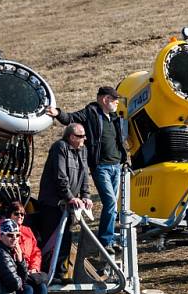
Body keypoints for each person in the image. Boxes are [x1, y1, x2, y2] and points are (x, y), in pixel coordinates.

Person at [46, 86, 128, 254]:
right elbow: (71, 118)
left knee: (112, 205)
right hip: (101, 167)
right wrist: (58, 113)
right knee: (110, 203)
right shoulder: (90, 112)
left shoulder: (114, 118)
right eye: (114, 100)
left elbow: (119, 141)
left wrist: (124, 159)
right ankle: (105, 241)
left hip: (116, 166)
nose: (117, 103)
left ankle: (110, 240)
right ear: (105, 100)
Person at [37, 123, 93, 283]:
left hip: (67, 205)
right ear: (71, 137)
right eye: (81, 136)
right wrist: (70, 196)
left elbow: (84, 175)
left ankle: (60, 274)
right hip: (52, 203)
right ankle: (48, 274)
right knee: (52, 238)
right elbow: (60, 176)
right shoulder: (59, 147)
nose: (84, 139)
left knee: (66, 238)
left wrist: (86, 195)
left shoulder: (83, 150)